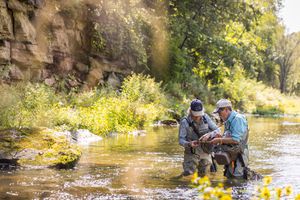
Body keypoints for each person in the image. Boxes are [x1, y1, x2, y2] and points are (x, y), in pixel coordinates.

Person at [202, 99, 249, 179]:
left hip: (240, 155)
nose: (219, 115)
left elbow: (236, 139)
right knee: (228, 176)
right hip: (232, 152)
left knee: (238, 178)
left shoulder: (238, 119)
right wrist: (220, 137)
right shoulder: (228, 120)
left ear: (227, 110)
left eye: (220, 112)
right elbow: (229, 136)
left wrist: (219, 140)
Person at [178, 99, 221, 176]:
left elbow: (218, 130)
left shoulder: (206, 117)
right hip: (191, 154)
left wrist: (209, 135)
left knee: (203, 177)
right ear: (190, 111)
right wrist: (189, 144)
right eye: (195, 115)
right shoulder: (184, 122)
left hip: (206, 153)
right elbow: (181, 140)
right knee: (188, 175)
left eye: (199, 114)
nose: (197, 117)